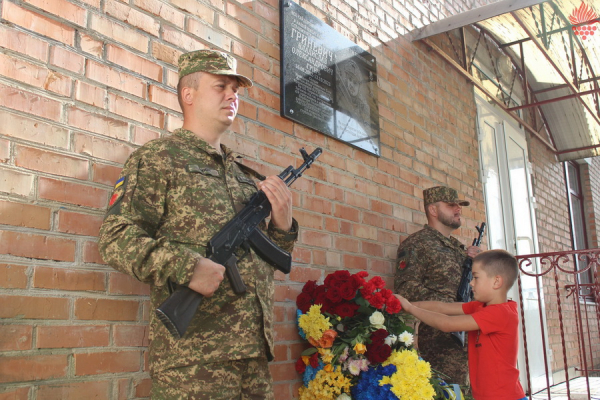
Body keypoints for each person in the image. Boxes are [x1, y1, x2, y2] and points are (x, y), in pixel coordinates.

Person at [98, 49, 299, 399]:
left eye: (235, 89)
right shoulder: (159, 159)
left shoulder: (242, 177)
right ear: (188, 94)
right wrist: (187, 267)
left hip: (253, 355)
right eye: (220, 85)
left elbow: (270, 264)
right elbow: (115, 238)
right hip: (194, 364)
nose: (231, 95)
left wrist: (282, 226)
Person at [395, 249, 527, 400]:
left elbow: (447, 324)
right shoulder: (480, 306)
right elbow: (442, 307)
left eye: (476, 277)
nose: (471, 282)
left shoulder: (501, 313)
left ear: (496, 281)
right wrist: (404, 304)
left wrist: (411, 308)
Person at [394, 186, 480, 388]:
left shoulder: (459, 249)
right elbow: (406, 289)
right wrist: (452, 304)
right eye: (451, 205)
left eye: (459, 205)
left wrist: (480, 265)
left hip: (469, 336)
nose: (458, 209)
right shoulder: (416, 244)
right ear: (433, 210)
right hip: (439, 342)